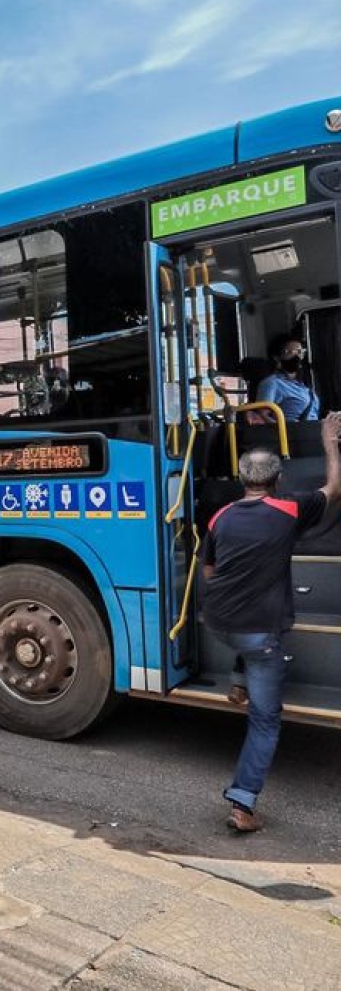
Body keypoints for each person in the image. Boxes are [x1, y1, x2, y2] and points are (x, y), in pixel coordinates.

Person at [202, 411, 341, 832]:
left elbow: (208, 572)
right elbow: (334, 489)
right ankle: (242, 804)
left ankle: (238, 681)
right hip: (256, 634)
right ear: (278, 479)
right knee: (265, 719)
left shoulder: (220, 516)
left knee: (269, 621)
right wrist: (328, 440)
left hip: (218, 621)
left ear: (243, 479)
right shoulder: (289, 508)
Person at [256, 334, 319, 422]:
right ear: (277, 358)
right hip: (292, 433)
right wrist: (286, 432)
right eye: (289, 352)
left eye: (300, 352)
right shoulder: (272, 383)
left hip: (313, 431)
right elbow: (262, 416)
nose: (297, 357)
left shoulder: (304, 386)